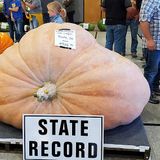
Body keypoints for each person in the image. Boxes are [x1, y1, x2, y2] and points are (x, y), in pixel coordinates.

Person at [139, 0, 160, 104]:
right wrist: (149, 40)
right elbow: (143, 21)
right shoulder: (149, 1)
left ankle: (155, 89)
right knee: (151, 71)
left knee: (158, 70)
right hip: (153, 44)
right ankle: (146, 94)